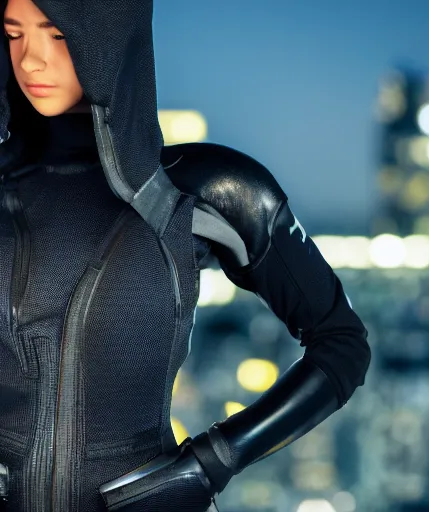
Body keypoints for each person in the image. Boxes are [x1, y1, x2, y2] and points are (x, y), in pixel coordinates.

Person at [0, 0, 371, 510]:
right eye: (13, 34)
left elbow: (342, 343)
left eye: (58, 35)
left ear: (110, 37)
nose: (31, 59)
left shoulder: (198, 190)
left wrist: (213, 461)